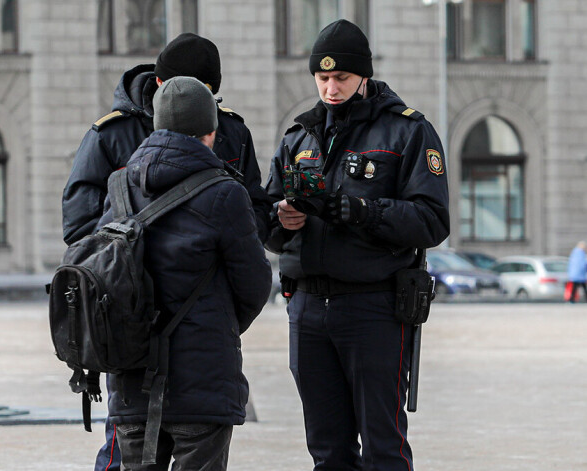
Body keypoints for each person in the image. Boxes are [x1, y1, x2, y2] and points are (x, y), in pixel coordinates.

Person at [60, 33, 271, 471]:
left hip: (154, 360)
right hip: (144, 346)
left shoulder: (232, 130)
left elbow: (257, 214)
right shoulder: (110, 136)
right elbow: (84, 240)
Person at [264, 20, 450, 471]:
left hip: (374, 308)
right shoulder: (299, 136)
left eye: (341, 78)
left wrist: (362, 211)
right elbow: (265, 222)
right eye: (323, 78)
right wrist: (281, 220)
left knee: (383, 449)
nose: (331, 88)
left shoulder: (407, 132)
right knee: (327, 451)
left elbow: (432, 219)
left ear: (363, 75)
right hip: (307, 307)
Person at [62, 32, 270, 246]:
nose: (193, 103)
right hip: (136, 274)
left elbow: (257, 209)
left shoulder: (233, 131)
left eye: (203, 94)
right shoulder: (111, 135)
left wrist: (227, 247)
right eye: (183, 93)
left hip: (213, 274)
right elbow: (80, 225)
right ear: (159, 81)